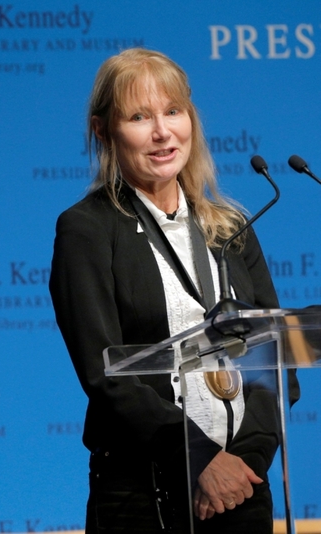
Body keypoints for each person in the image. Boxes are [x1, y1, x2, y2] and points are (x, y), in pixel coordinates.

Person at [49, 48, 298, 533]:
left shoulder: (230, 226)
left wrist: (243, 465)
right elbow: (106, 374)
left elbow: (277, 360)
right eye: (139, 117)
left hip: (243, 486)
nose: (162, 132)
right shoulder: (87, 229)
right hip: (143, 490)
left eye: (172, 111)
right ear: (104, 131)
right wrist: (201, 459)